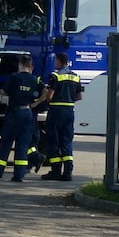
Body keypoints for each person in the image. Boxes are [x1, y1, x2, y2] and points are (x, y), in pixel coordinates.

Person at [0, 55, 44, 183]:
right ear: (30, 66)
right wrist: (35, 103)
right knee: (22, 145)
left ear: (20, 65)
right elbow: (46, 92)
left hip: (14, 113)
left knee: (5, 143)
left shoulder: (14, 78)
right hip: (27, 113)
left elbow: (5, 91)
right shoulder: (35, 79)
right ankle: (19, 175)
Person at [41, 53, 82, 182]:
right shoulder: (76, 77)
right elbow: (79, 97)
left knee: (53, 140)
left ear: (59, 61)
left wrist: (47, 100)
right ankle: (68, 172)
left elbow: (49, 96)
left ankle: (56, 171)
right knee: (66, 141)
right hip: (69, 111)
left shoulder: (55, 76)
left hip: (56, 111)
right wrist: (68, 99)